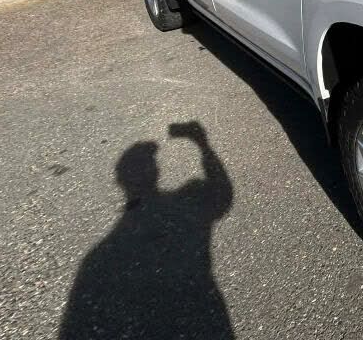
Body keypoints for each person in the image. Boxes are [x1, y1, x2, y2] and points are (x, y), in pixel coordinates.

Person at [59, 121, 234, 339]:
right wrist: (202, 145)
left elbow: (74, 327)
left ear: (121, 180)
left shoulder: (98, 258)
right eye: (148, 163)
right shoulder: (188, 208)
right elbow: (221, 195)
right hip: (205, 320)